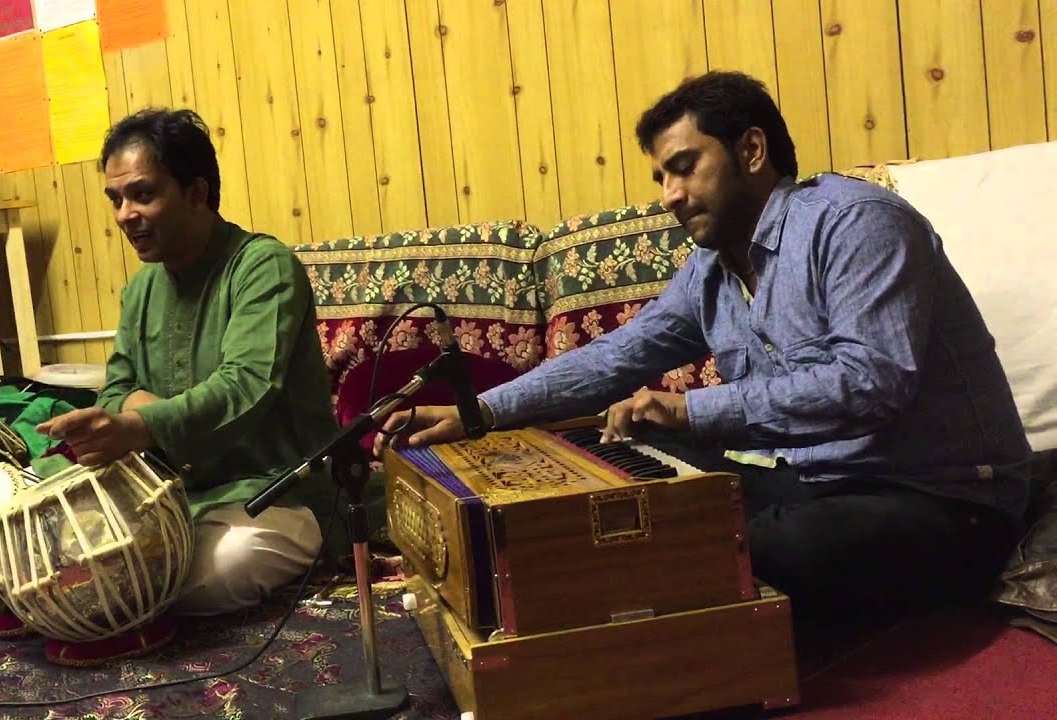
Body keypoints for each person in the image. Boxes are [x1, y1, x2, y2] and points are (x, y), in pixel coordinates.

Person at [377, 72, 1031, 626]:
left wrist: (691, 410)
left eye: (685, 167)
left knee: (741, 544)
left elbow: (870, 385)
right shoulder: (712, 267)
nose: (670, 196)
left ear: (751, 150)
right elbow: (618, 357)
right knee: (621, 467)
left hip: (941, 502)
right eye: (662, 176)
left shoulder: (855, 223)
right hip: (812, 482)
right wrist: (477, 414)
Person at [37, 108, 339, 617]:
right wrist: (134, 418)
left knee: (222, 566)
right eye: (116, 199)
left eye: (142, 194)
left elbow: (245, 387)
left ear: (197, 193)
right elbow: (115, 388)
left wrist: (140, 425)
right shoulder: (142, 288)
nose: (124, 215)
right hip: (171, 497)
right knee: (45, 532)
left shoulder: (263, 267)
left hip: (274, 495)